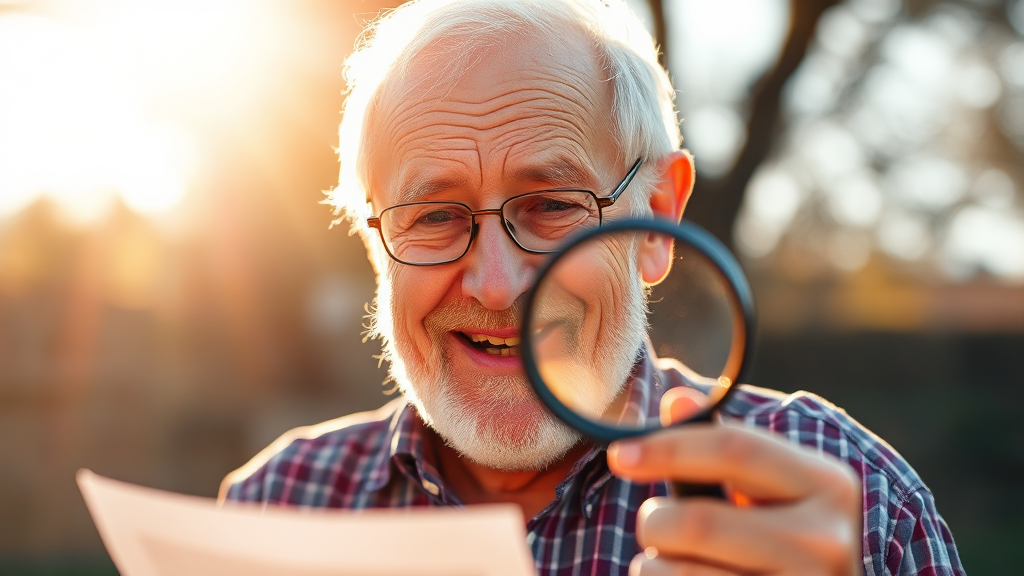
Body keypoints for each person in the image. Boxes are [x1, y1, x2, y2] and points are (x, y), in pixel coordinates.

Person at [219, 1, 964, 574]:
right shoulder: (274, 509)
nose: (498, 285)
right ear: (374, 244)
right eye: (435, 216)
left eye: (550, 207)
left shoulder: (857, 506)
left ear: (655, 222)